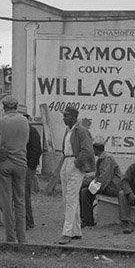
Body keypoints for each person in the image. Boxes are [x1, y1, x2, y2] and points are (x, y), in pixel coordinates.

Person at [0, 95, 30, 244]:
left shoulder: (1, 122)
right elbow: (25, 141)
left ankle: (10, 237)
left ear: (4, 107)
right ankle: (22, 237)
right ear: (16, 106)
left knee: (6, 201)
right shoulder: (24, 121)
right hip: (21, 163)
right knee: (20, 201)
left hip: (5, 162)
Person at [58, 104, 95, 243]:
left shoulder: (81, 131)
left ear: (74, 116)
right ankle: (76, 231)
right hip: (67, 161)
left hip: (74, 163)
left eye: (66, 115)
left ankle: (67, 232)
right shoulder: (68, 130)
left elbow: (87, 150)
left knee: (71, 199)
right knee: (67, 199)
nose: (64, 118)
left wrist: (76, 163)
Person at [79, 138, 122, 227]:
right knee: (83, 188)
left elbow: (103, 179)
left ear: (95, 149)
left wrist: (90, 184)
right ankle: (86, 219)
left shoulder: (107, 159)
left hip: (111, 188)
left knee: (85, 192)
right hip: (107, 186)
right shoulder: (103, 158)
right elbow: (99, 176)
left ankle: (87, 220)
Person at [21, 108, 42, 230]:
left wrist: (30, 167)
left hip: (27, 167)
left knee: (24, 194)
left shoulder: (32, 131)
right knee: (23, 194)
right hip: (23, 166)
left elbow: (36, 151)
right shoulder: (23, 131)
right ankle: (27, 220)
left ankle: (28, 221)